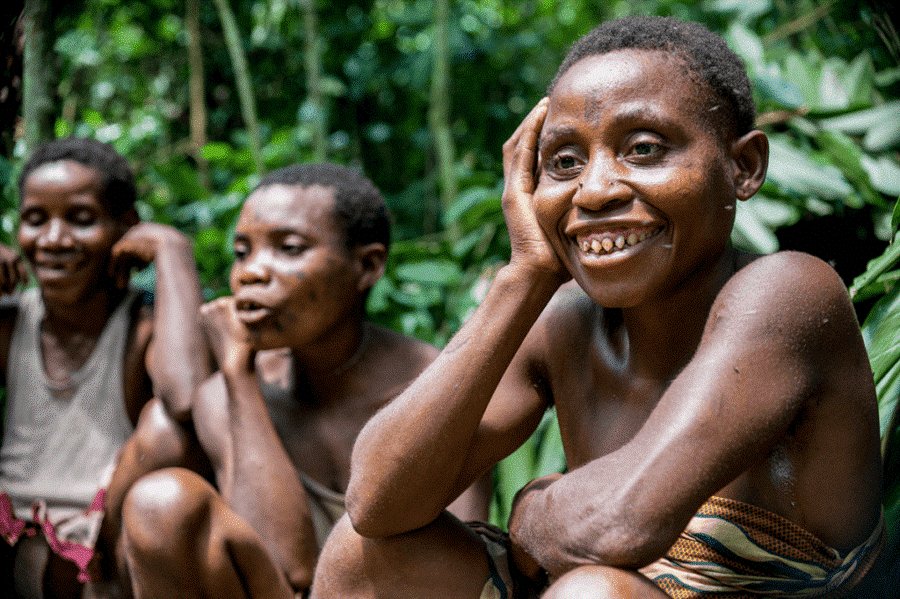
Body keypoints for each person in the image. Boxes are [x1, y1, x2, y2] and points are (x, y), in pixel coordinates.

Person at [310, 16, 885, 599]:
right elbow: (376, 502)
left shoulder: (786, 292)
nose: (595, 190)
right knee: (362, 556)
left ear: (744, 167)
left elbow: (621, 523)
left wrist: (531, 509)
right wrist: (525, 276)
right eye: (564, 162)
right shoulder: (564, 321)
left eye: (643, 149)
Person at [118, 162, 492, 598]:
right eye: (242, 252)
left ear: (367, 267)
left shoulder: (441, 385)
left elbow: (464, 571)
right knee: (160, 501)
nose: (251, 273)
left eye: (289, 248)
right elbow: (286, 567)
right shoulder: (230, 392)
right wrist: (238, 376)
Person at [0, 137, 209, 598]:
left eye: (80, 219)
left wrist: (172, 250)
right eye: (36, 220)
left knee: (166, 432)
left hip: (107, 555)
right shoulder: (12, 323)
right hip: (13, 539)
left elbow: (188, 395)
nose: (54, 240)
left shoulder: (141, 327)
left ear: (125, 229)